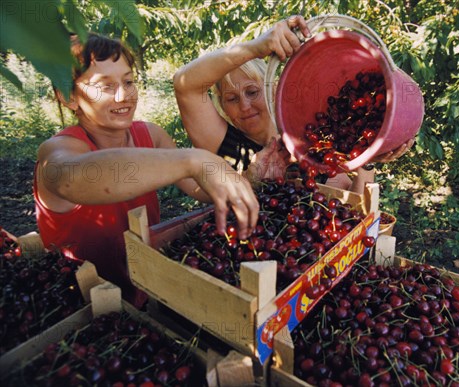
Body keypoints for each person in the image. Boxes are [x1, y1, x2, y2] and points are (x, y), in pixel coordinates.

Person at [34, 33, 259, 308]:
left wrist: (250, 178)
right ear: (69, 97)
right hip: (83, 310)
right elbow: (73, 179)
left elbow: (200, 188)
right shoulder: (56, 152)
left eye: (128, 82)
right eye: (105, 86)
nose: (123, 95)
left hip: (148, 295)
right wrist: (192, 159)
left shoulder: (150, 136)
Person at [173, 15, 414, 194]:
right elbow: (185, 84)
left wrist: (367, 156)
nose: (244, 106)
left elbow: (358, 206)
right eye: (232, 99)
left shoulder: (312, 143)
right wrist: (255, 48)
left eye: (252, 92)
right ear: (223, 106)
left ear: (274, 89)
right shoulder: (227, 145)